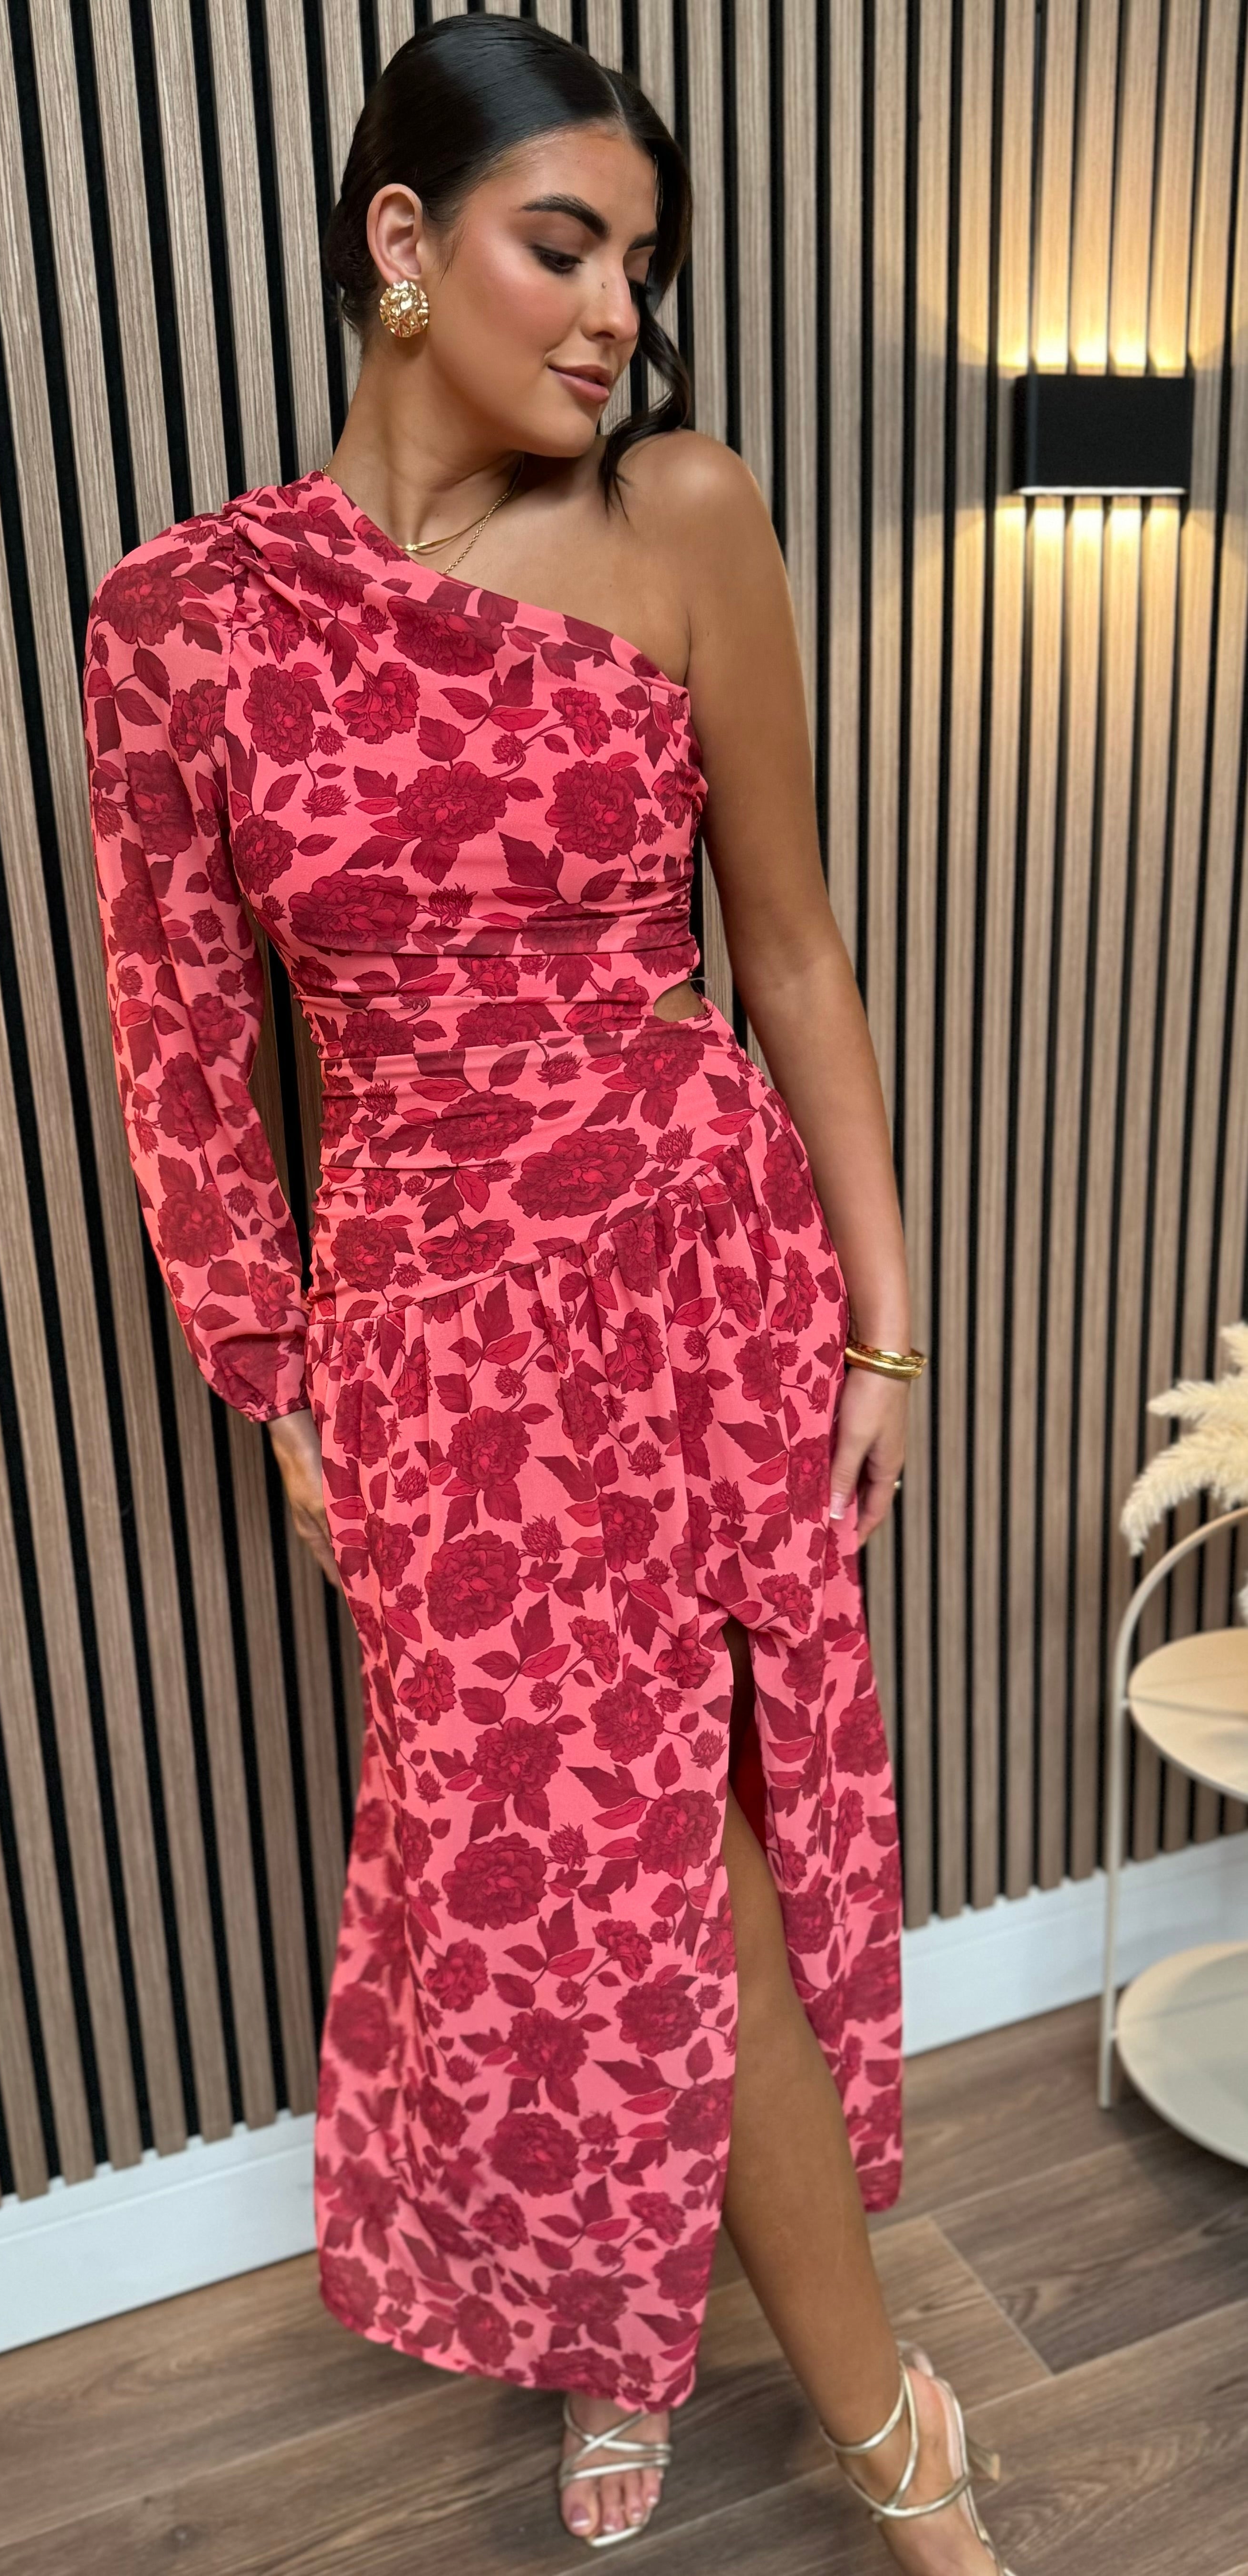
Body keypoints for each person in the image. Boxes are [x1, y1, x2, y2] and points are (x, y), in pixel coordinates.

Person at [82, 17, 1012, 2569]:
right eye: (562, 246)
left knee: (700, 1841)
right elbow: (180, 1044)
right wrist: (276, 1380)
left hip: (700, 1269)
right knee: (573, 1874)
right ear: (404, 243)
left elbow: (792, 950)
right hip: (430, 1336)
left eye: (639, 264)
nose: (616, 313)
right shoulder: (188, 620)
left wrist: (889, 1317)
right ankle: (654, 2329)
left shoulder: (684, 513)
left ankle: (887, 2449)